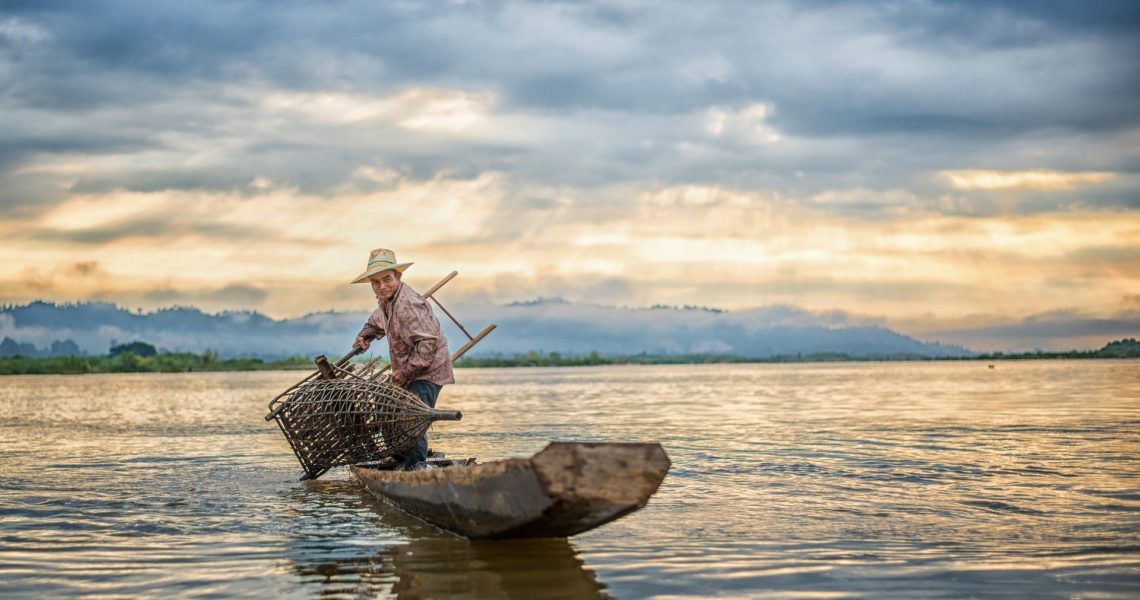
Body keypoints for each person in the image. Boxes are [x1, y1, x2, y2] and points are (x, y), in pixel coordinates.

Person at [350, 248, 454, 471]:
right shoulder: (386, 300)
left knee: (412, 416)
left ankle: (416, 467)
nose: (382, 286)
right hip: (409, 368)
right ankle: (398, 455)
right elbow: (377, 321)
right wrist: (364, 335)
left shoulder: (408, 304)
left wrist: (404, 373)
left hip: (428, 370)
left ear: (398, 276)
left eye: (387, 279)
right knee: (384, 403)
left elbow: (428, 345)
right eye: (375, 282)